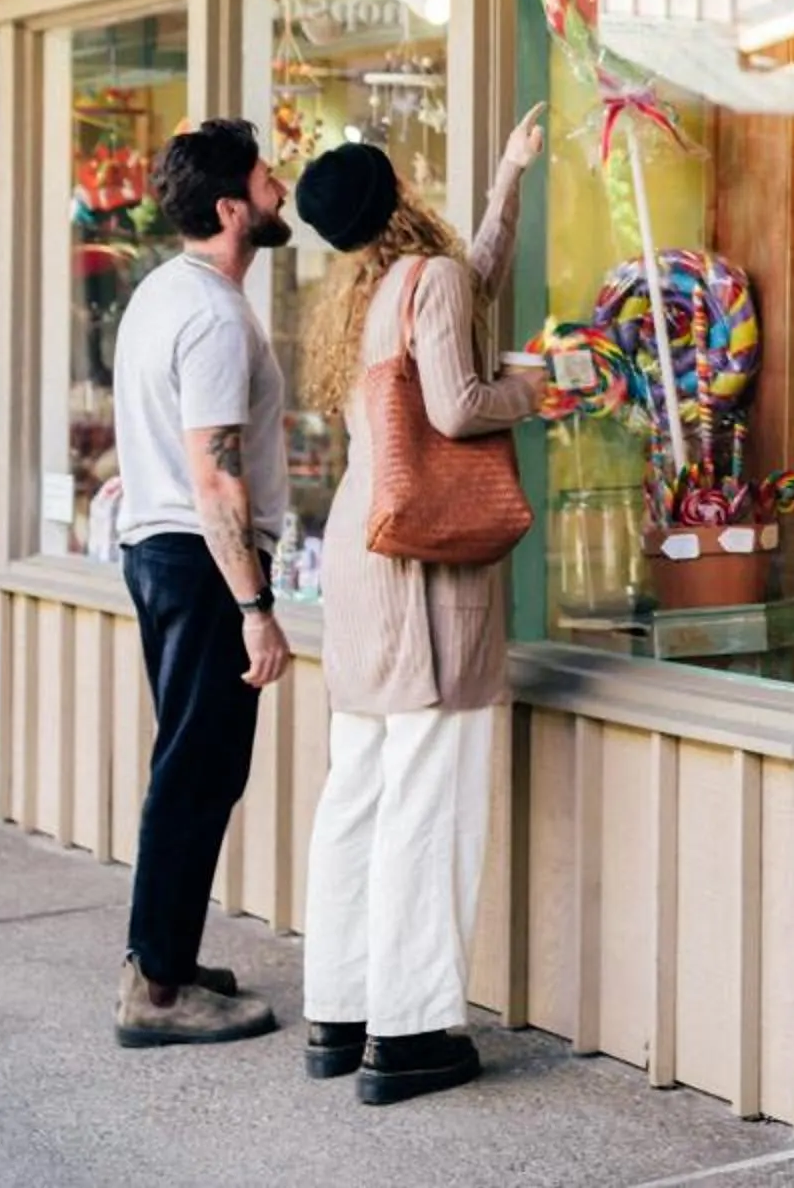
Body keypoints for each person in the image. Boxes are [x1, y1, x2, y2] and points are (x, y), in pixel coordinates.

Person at [292, 107, 548, 1105]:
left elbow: (466, 282)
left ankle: (340, 1011)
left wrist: (509, 177)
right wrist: (533, 388)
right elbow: (457, 405)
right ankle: (408, 1032)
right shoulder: (426, 278)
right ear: (398, 192)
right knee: (428, 802)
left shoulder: (372, 289)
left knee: (357, 790)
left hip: (365, 554)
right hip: (427, 571)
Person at [111, 119, 294, 1048]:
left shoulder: (161, 292)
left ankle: (166, 961)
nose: (279, 186)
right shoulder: (215, 317)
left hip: (161, 552)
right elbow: (217, 478)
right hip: (201, 561)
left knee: (190, 764)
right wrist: (255, 607)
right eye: (265, 179)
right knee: (198, 771)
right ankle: (159, 992)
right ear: (231, 210)